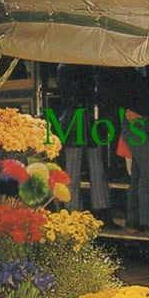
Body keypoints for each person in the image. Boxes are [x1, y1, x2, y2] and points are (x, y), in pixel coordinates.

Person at [55, 63, 117, 229]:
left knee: (93, 167)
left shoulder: (75, 67)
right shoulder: (69, 67)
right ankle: (75, 211)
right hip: (79, 118)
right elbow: (70, 96)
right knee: (77, 169)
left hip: (85, 117)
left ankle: (95, 210)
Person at [114, 66, 149, 236]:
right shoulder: (121, 69)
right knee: (147, 169)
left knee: (138, 172)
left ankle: (132, 220)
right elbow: (110, 94)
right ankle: (148, 221)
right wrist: (123, 111)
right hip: (133, 123)